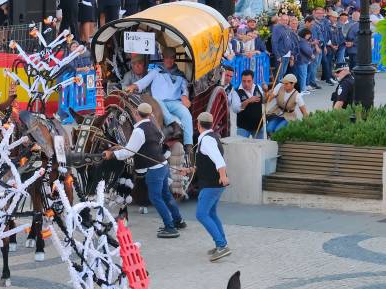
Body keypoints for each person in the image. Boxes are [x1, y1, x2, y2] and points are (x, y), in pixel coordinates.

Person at [103, 102, 185, 239]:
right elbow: (147, 144)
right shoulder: (153, 125)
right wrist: (122, 148)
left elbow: (129, 152)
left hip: (154, 170)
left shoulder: (139, 131)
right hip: (163, 165)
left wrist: (112, 154)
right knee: (166, 195)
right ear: (149, 114)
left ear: (136, 114)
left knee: (156, 198)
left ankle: (170, 227)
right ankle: (178, 221)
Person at [124, 50, 194, 149]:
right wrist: (134, 86)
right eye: (166, 58)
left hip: (175, 102)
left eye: (171, 58)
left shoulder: (180, 75)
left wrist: (185, 96)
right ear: (163, 58)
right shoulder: (156, 71)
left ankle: (189, 146)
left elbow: (185, 89)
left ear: (174, 59)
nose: (169, 60)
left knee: (186, 114)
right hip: (158, 101)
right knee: (157, 102)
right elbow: (144, 82)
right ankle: (174, 124)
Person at [192, 112, 230, 261]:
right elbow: (207, 161)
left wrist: (223, 176)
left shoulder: (206, 140)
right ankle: (222, 243)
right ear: (211, 124)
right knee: (211, 213)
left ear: (198, 124)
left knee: (201, 214)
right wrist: (190, 170)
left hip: (211, 184)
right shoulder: (211, 137)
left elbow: (219, 160)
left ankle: (222, 246)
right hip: (214, 183)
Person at [229, 69, 265, 139]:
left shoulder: (258, 87)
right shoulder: (236, 91)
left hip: (258, 126)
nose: (246, 84)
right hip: (243, 128)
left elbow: (264, 101)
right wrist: (248, 101)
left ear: (253, 80)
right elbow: (235, 109)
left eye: (249, 81)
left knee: (259, 146)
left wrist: (266, 92)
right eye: (244, 81)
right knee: (241, 146)